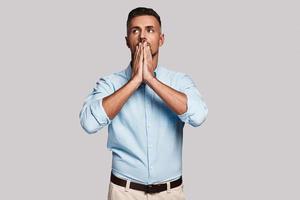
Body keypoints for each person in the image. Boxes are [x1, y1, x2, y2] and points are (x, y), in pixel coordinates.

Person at [79, 7, 208, 200]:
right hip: (124, 192)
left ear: (161, 39)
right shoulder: (110, 83)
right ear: (126, 41)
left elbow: (199, 116)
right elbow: (89, 123)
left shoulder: (179, 81)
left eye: (150, 30)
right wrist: (134, 82)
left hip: (170, 193)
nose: (142, 37)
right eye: (135, 30)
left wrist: (151, 80)